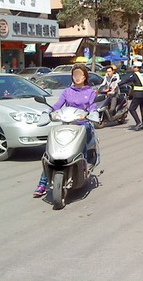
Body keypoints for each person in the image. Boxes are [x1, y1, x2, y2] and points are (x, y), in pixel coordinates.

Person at [33, 64, 97, 197]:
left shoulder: (90, 92)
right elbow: (57, 105)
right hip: (67, 125)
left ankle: (82, 168)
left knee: (84, 136)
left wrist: (93, 113)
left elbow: (93, 106)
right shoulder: (67, 91)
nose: (77, 77)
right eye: (75, 75)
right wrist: (48, 111)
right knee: (52, 151)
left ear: (85, 76)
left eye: (80, 75)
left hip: (83, 125)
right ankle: (42, 183)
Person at [121, 60, 143, 131]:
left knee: (132, 109)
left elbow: (126, 80)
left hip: (138, 93)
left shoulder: (135, 74)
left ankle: (138, 122)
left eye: (134, 67)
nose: (133, 68)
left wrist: (118, 84)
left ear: (136, 67)